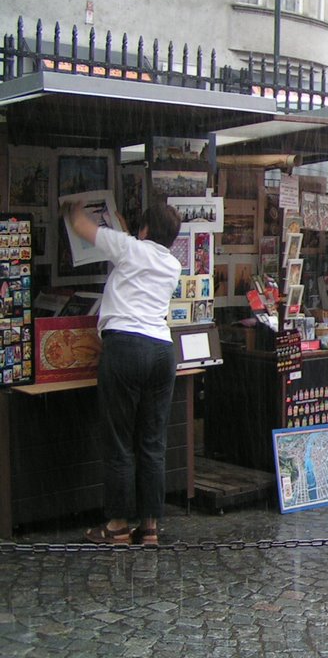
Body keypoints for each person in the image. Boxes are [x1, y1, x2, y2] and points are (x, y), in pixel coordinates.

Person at [64, 201, 183, 546]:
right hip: (162, 351)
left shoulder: (128, 248)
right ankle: (149, 528)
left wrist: (72, 208)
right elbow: (135, 242)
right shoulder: (172, 264)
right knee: (152, 443)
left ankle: (116, 525)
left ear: (143, 229)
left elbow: (84, 228)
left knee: (119, 442)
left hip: (125, 348)